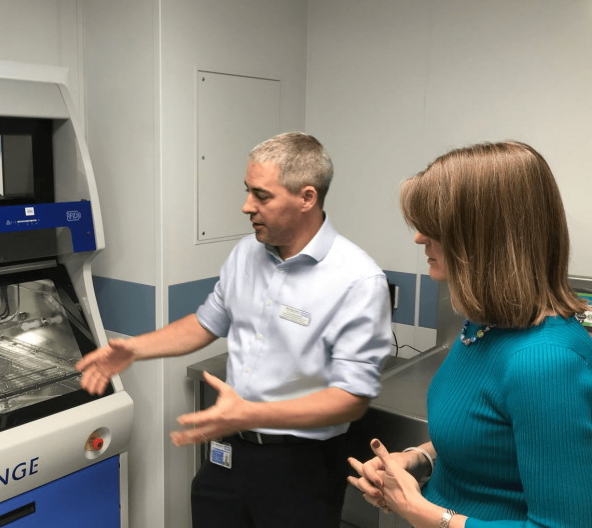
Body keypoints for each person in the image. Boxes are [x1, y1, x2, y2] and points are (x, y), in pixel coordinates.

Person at [76, 132, 392, 528]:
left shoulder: (358, 280)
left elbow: (351, 399)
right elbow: (206, 323)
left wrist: (248, 413)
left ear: (306, 198)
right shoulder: (246, 253)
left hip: (302, 466)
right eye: (248, 192)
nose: (247, 206)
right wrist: (135, 349)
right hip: (229, 452)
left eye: (262, 196)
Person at [347, 141, 592, 528]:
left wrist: (423, 513)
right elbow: (490, 446)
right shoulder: (481, 328)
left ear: (486, 236)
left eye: (433, 226)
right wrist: (417, 460)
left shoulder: (546, 362)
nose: (418, 238)